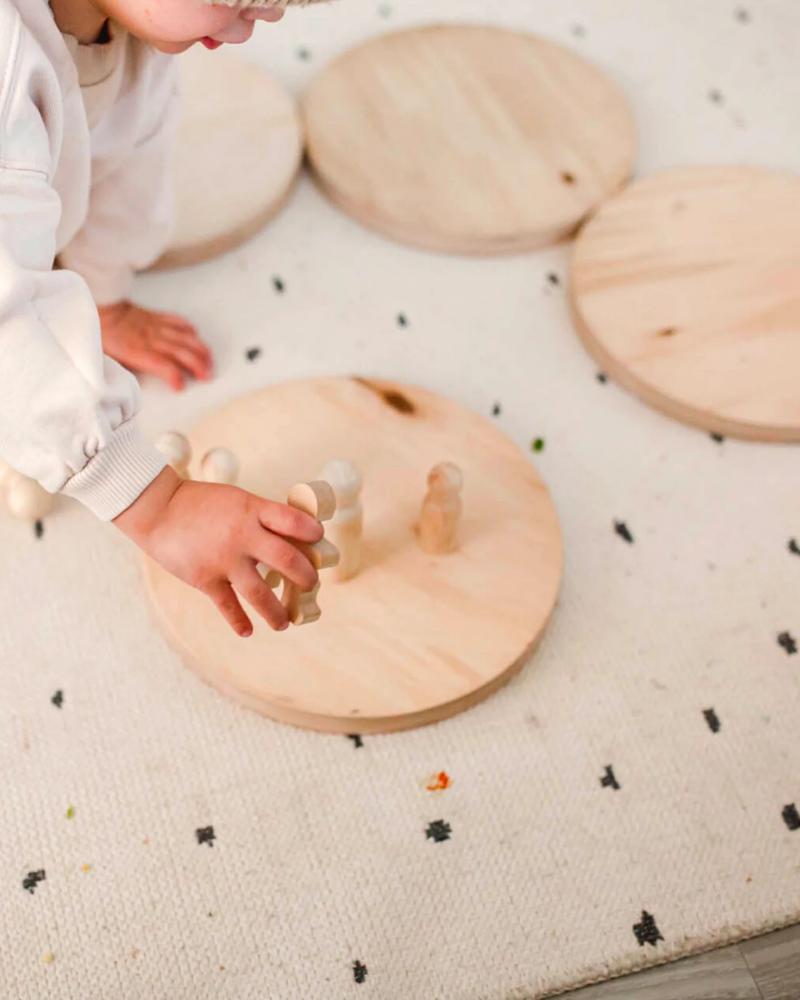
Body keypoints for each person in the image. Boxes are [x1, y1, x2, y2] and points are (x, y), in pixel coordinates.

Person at [0, 0, 328, 634]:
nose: (250, 24)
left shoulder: (126, 22)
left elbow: (121, 160)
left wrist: (103, 295)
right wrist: (156, 504)